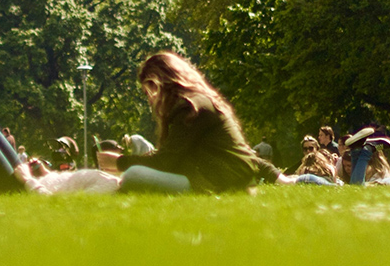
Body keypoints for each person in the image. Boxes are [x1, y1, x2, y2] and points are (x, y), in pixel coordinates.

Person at [106, 52, 284, 195]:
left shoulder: (190, 107)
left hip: (218, 181)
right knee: (134, 175)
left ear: (160, 84)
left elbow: (165, 162)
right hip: (225, 177)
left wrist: (119, 162)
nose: (150, 101)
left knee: (133, 176)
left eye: (148, 93)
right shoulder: (198, 102)